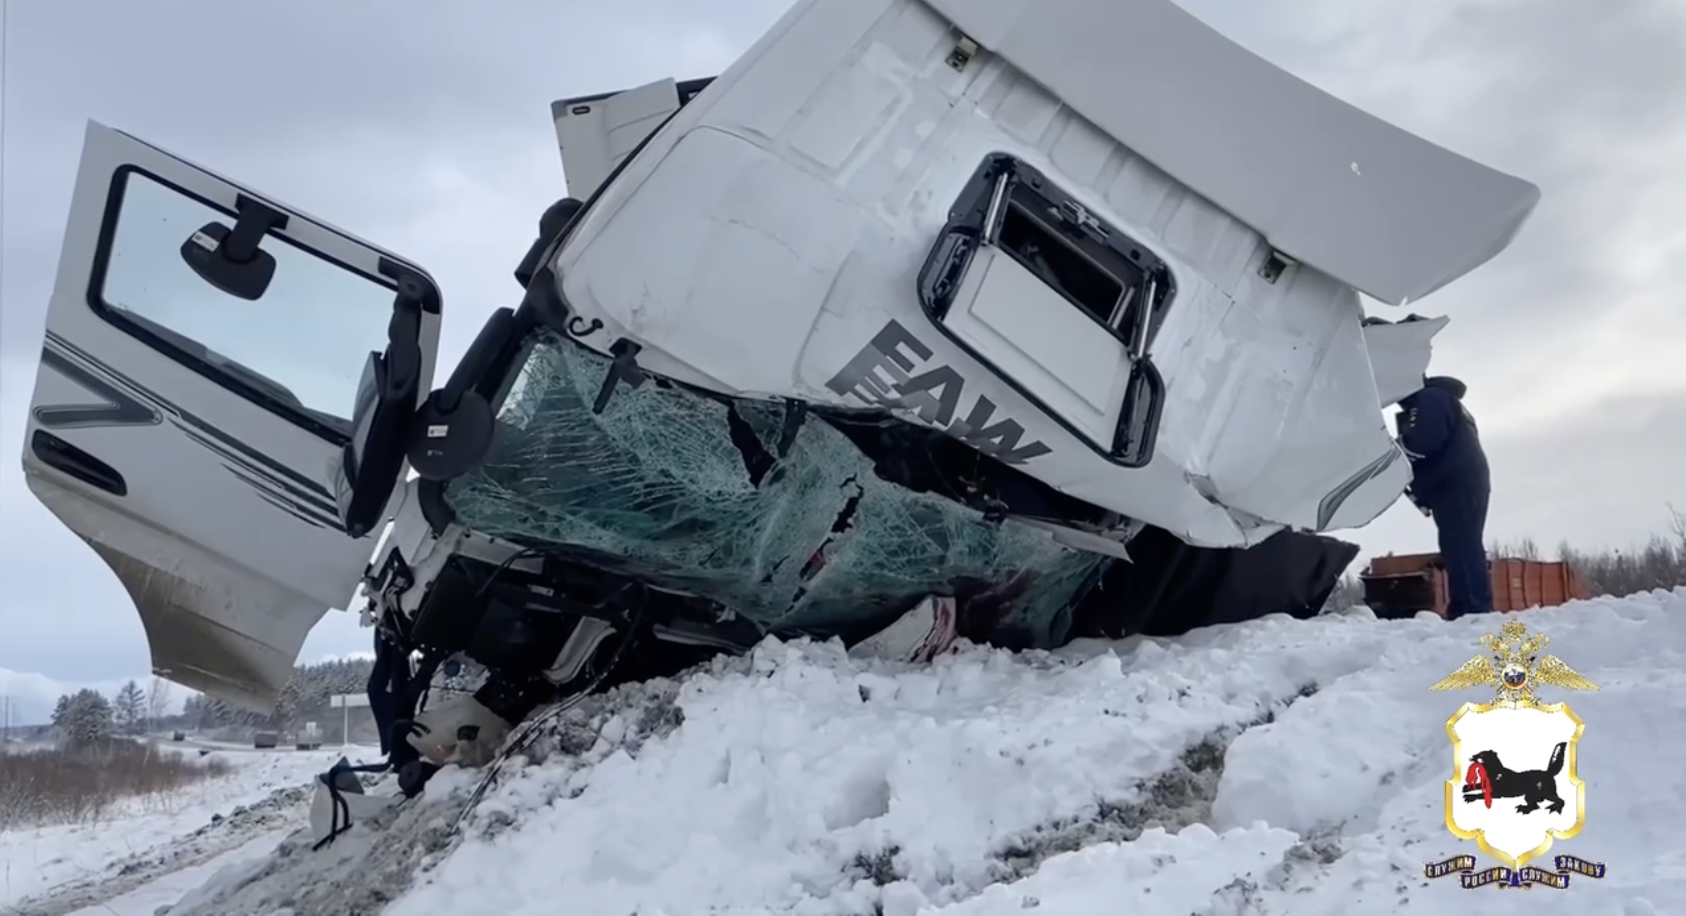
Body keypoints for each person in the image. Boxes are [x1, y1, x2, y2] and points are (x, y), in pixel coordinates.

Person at [1396, 376, 1493, 619]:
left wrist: (1394, 452)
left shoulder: (1431, 398)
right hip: (1460, 483)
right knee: (1459, 544)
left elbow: (1423, 442)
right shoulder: (1443, 400)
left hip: (1456, 484)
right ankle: (1468, 605)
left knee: (1462, 544)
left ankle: (1473, 609)